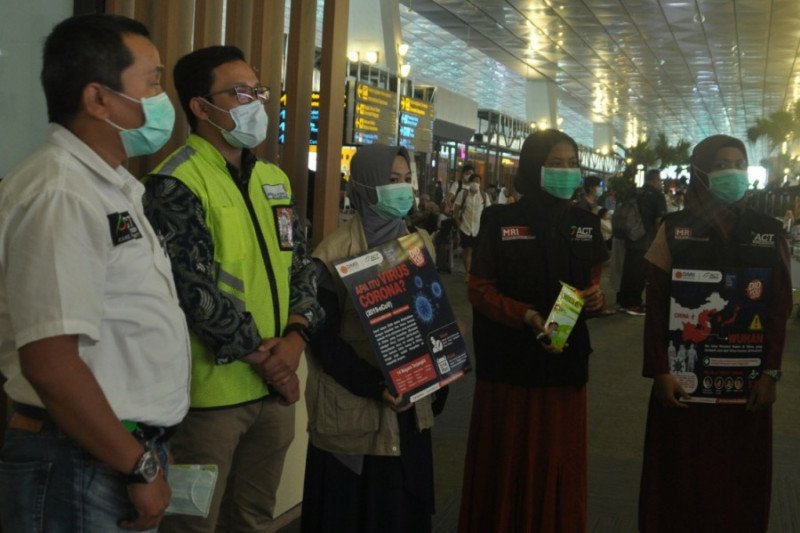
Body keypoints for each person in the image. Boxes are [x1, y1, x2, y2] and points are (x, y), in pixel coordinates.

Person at [0, 14, 190, 532]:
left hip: (107, 452)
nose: (161, 99)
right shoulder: (62, 193)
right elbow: (51, 361)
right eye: (152, 82)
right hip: (79, 459)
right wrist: (138, 463)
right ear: (98, 99)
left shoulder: (108, 186)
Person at [143, 45, 323, 532]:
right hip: (211, 400)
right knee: (190, 524)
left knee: (253, 519)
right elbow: (191, 290)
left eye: (258, 90)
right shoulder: (176, 182)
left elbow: (302, 267)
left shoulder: (275, 180)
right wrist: (272, 363)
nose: (255, 102)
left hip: (273, 394)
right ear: (201, 107)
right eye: (240, 92)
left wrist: (297, 336)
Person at [638, 135, 792, 532]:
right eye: (722, 165)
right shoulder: (673, 230)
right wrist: (659, 371)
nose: (733, 173)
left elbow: (779, 309)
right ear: (701, 173)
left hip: (747, 387)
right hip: (683, 384)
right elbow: (654, 306)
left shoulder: (768, 231)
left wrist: (771, 373)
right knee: (681, 477)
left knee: (740, 480)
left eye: (739, 164)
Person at [459, 129, 608, 532]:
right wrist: (525, 316)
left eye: (572, 163)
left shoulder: (587, 226)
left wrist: (597, 300)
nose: (565, 171)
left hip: (565, 367)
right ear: (532, 167)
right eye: (555, 163)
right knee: (509, 460)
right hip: (509, 368)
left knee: (559, 461)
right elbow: (479, 288)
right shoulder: (500, 219)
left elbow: (592, 286)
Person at [302, 144, 446, 532]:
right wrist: (375, 385)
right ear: (365, 186)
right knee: (356, 514)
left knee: (402, 510)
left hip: (412, 408)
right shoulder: (332, 255)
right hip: (355, 416)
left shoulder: (419, 244)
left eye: (405, 181)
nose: (401, 190)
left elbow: (433, 315)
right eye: (390, 181)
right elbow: (324, 342)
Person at [617, 168, 667, 315]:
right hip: (645, 239)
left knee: (628, 270)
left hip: (630, 236)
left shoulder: (634, 192)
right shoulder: (657, 196)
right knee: (640, 273)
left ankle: (624, 301)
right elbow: (659, 220)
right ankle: (634, 304)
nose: (660, 184)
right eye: (660, 181)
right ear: (655, 180)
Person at [454, 173, 491, 281]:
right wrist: (458, 223)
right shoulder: (463, 194)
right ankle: (468, 272)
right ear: (470, 183)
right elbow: (456, 210)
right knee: (467, 251)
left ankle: (471, 273)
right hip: (465, 227)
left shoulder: (484, 196)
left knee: (475, 252)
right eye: (474, 181)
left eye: (478, 181)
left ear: (480, 183)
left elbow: (488, 212)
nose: (476, 183)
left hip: (478, 229)